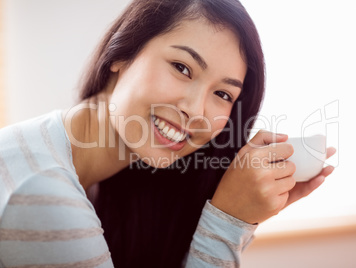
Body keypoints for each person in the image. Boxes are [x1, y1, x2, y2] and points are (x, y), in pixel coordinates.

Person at [0, 0, 335, 267]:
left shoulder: (84, 168)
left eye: (223, 94)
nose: (195, 110)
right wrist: (228, 222)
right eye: (182, 68)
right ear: (122, 54)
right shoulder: (44, 192)